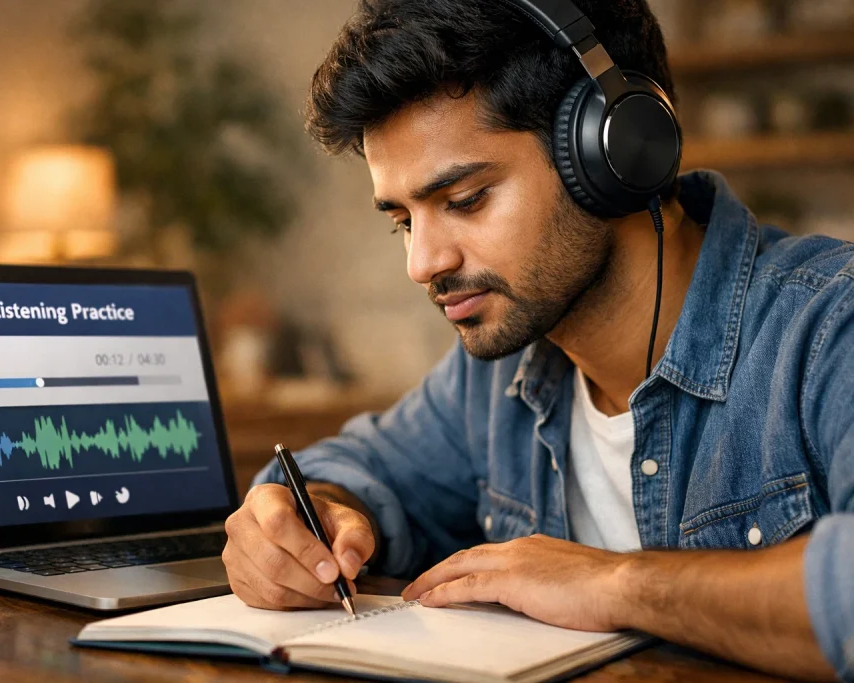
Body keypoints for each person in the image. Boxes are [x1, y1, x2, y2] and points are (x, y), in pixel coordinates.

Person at [220, 1, 854, 679]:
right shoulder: (495, 377)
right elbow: (356, 470)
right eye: (403, 220)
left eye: (465, 200)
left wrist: (615, 585)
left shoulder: (827, 331)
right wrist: (301, 520)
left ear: (614, 152)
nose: (423, 263)